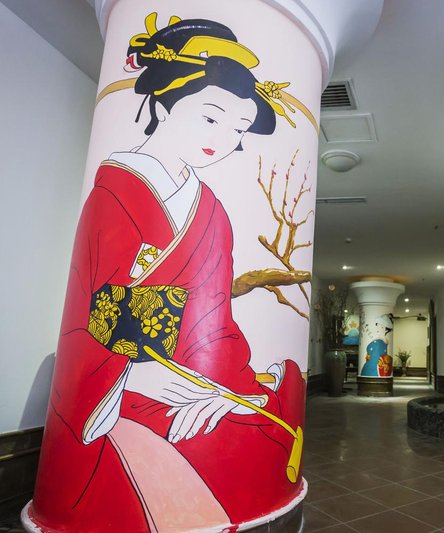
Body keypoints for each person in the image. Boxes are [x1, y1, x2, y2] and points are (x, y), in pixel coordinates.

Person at [30, 14, 309, 532]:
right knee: (199, 448)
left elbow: (215, 322)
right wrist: (133, 375)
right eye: (211, 118)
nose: (223, 139)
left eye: (237, 129)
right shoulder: (115, 194)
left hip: (187, 374)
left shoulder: (212, 213)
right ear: (162, 105)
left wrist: (222, 388)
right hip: (113, 383)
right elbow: (90, 315)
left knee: (259, 423)